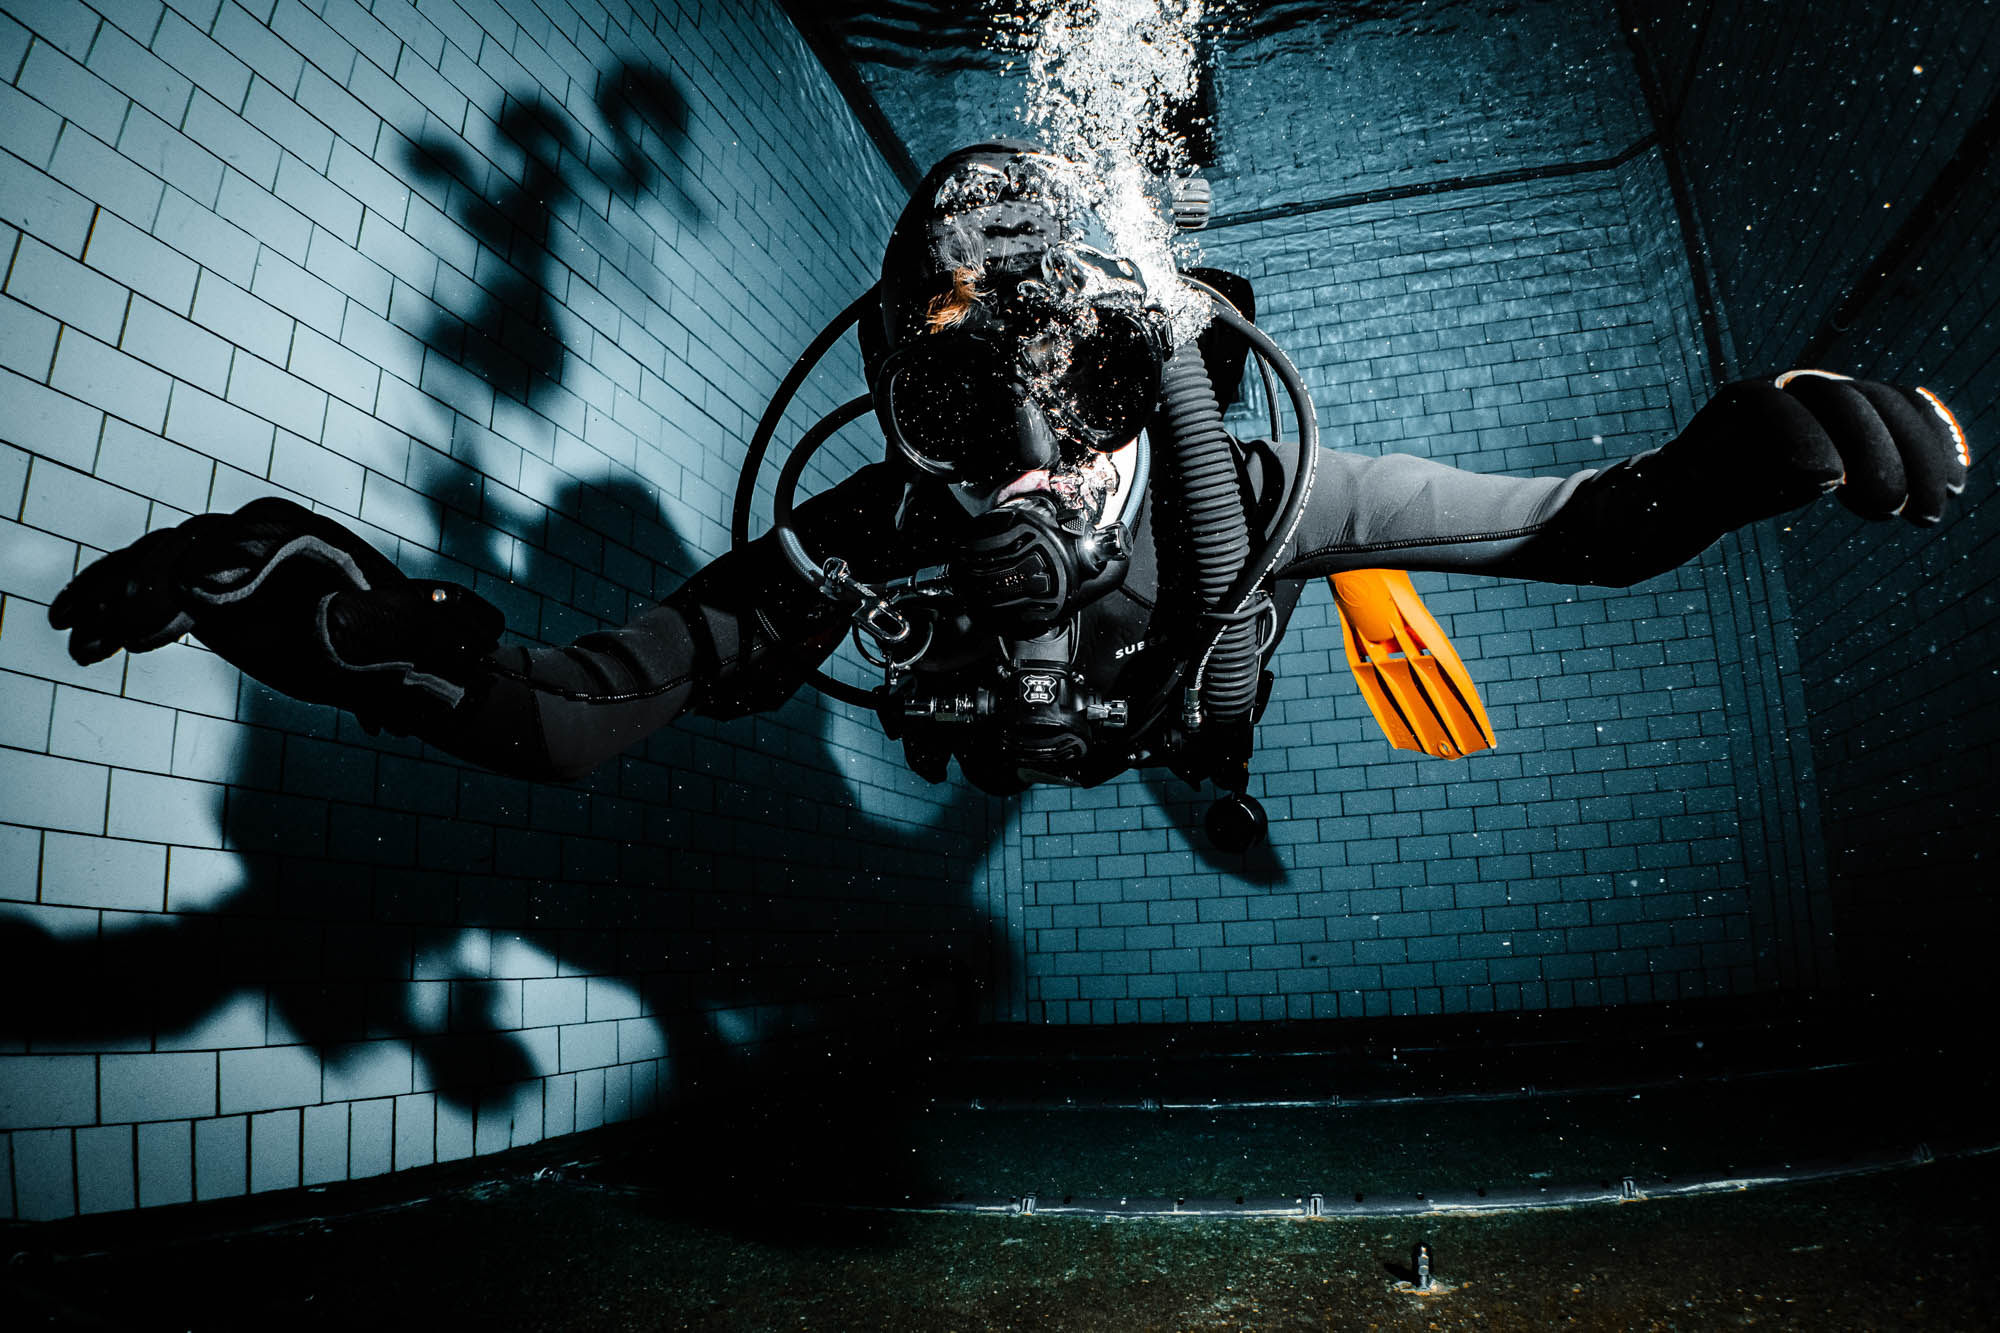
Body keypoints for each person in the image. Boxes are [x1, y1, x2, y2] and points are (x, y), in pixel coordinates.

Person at [49, 142, 1970, 850]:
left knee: (1222, 715)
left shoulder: (1268, 489)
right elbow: (573, 717)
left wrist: (1730, 460)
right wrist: (319, 607)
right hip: (1004, 720)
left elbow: (1585, 522)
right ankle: (1169, 744)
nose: (1039, 456)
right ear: (897, 401)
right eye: (965, 402)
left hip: (1203, 639)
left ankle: (1223, 747)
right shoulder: (866, 531)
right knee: (1001, 757)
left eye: (1095, 384)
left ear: (1154, 375)